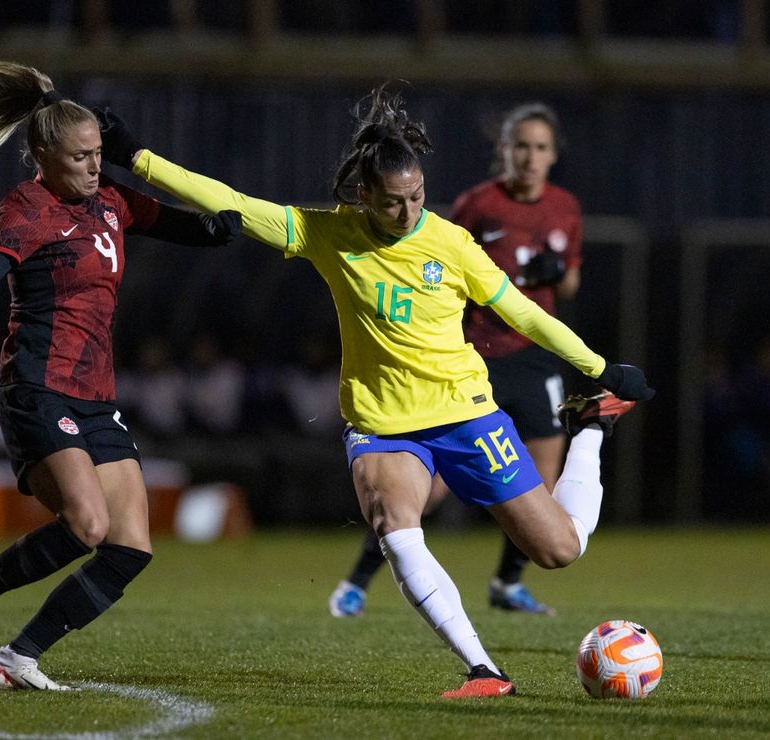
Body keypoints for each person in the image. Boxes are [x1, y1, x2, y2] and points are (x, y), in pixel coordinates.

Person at [96, 83, 654, 697]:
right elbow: (232, 200)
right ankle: (484, 671)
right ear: (363, 196)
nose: (408, 213)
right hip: (382, 424)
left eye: (417, 197)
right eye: (392, 203)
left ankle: (592, 428)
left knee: (559, 550)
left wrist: (600, 369)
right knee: (395, 521)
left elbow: (525, 314)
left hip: (467, 414)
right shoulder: (330, 234)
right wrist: (138, 157)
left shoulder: (450, 243)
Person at [0, 59, 241, 689]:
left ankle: (19, 656)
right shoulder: (30, 205)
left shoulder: (110, 199)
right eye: (80, 157)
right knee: (88, 523)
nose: (93, 166)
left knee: (131, 547)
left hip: (95, 395)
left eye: (99, 154)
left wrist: (215, 229)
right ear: (44, 156)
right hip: (36, 387)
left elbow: (169, 220)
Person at [327, 102, 582, 618]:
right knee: (428, 487)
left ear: (553, 155)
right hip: (476, 358)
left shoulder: (565, 209)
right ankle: (359, 578)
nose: (530, 157)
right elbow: (427, 262)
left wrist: (557, 274)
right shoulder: (476, 205)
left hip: (534, 359)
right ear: (504, 151)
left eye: (539, 148)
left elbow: (570, 283)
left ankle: (508, 583)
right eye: (521, 146)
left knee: (542, 482)